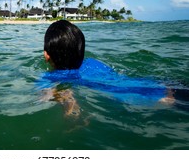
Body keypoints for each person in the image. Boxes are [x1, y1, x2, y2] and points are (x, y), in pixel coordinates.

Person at [40, 20, 184, 118]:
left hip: (155, 99)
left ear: (46, 55)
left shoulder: (52, 77)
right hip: (166, 84)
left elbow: (47, 97)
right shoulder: (93, 62)